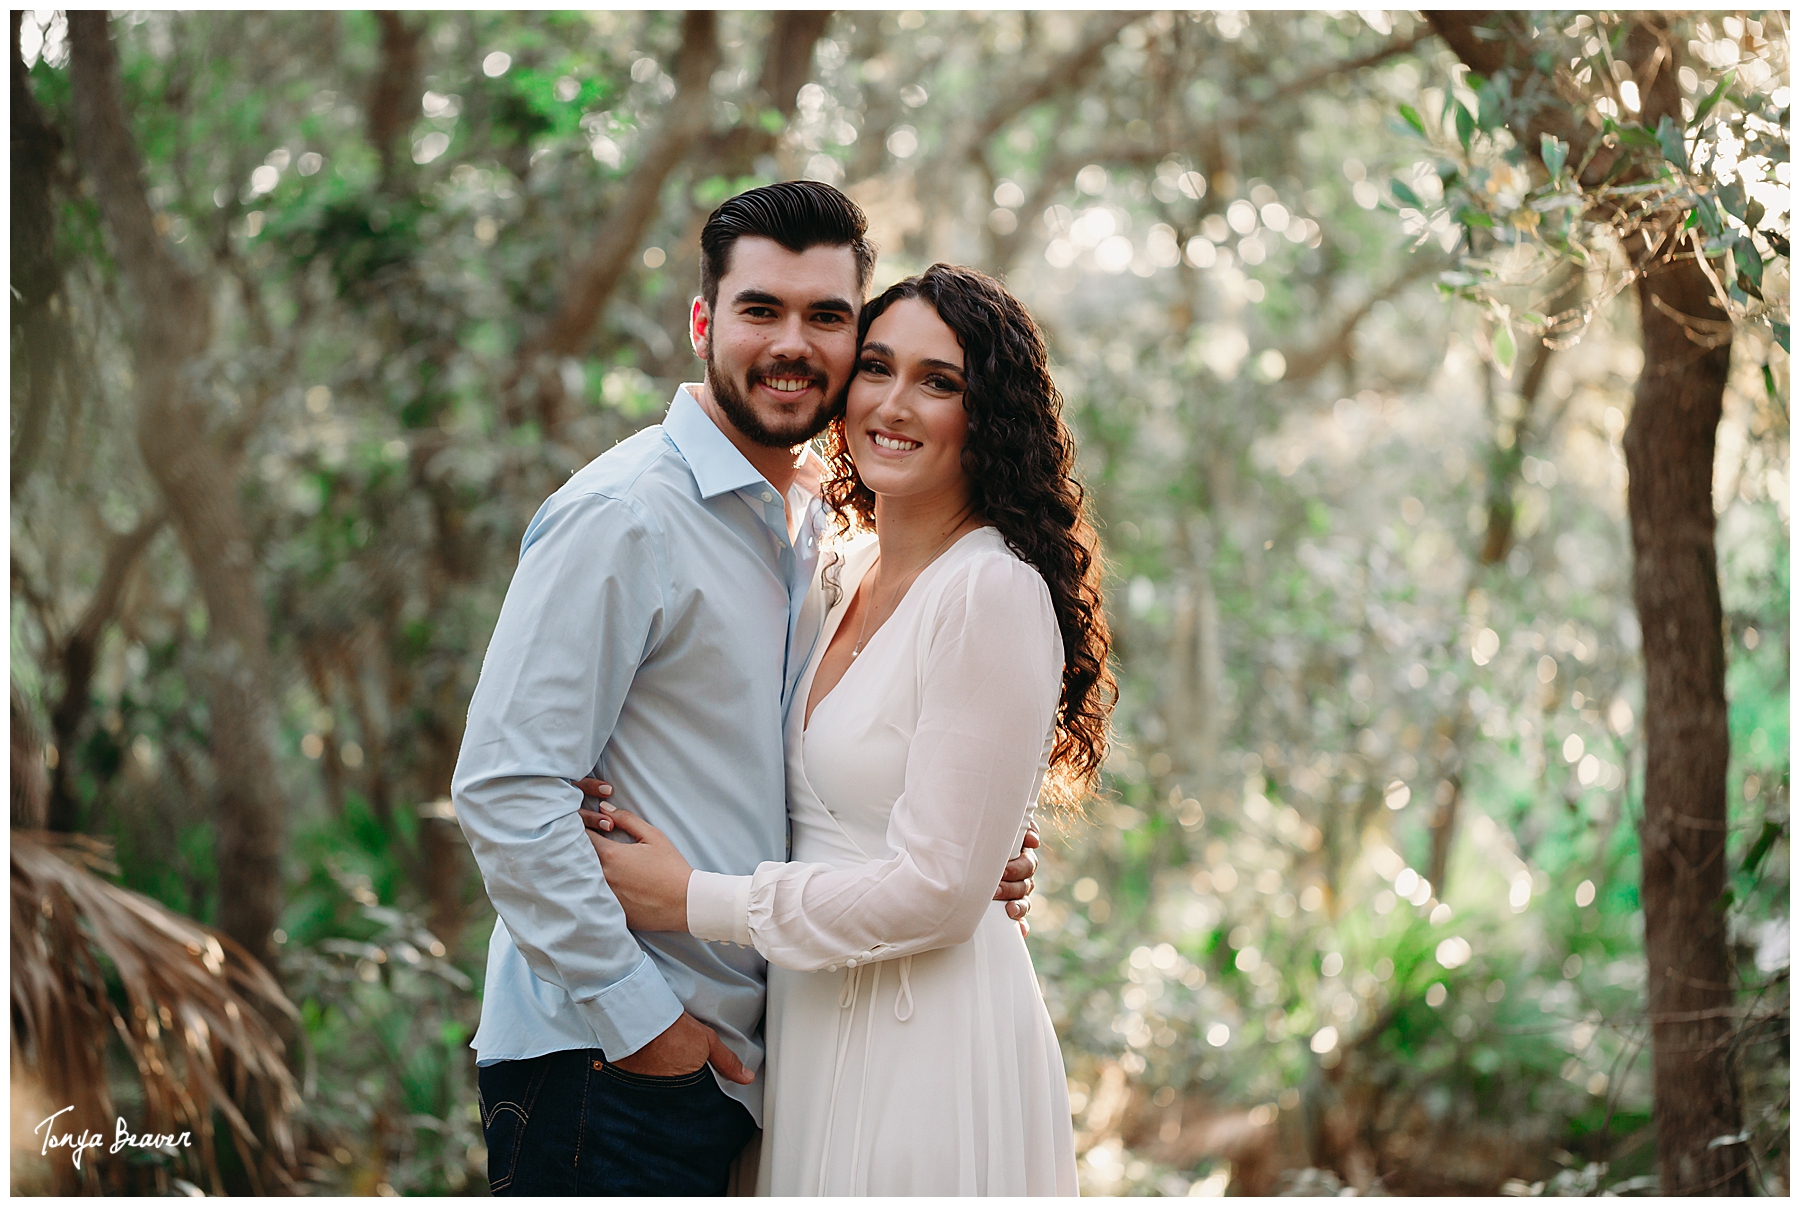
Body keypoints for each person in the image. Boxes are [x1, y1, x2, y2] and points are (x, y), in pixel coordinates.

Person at [452, 186, 1038, 1196]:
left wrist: (970, 838)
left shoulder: (818, 534)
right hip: (610, 1065)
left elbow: (853, 757)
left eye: (827, 316)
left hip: (759, 1075)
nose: (794, 345)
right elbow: (506, 792)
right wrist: (650, 1032)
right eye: (761, 310)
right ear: (702, 323)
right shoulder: (626, 516)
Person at [585, 262, 1116, 1194]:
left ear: (989, 416)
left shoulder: (989, 591)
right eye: (876, 367)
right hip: (812, 1025)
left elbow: (941, 893)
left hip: (927, 1038)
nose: (895, 404)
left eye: (938, 381)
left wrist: (690, 897)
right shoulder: (836, 573)